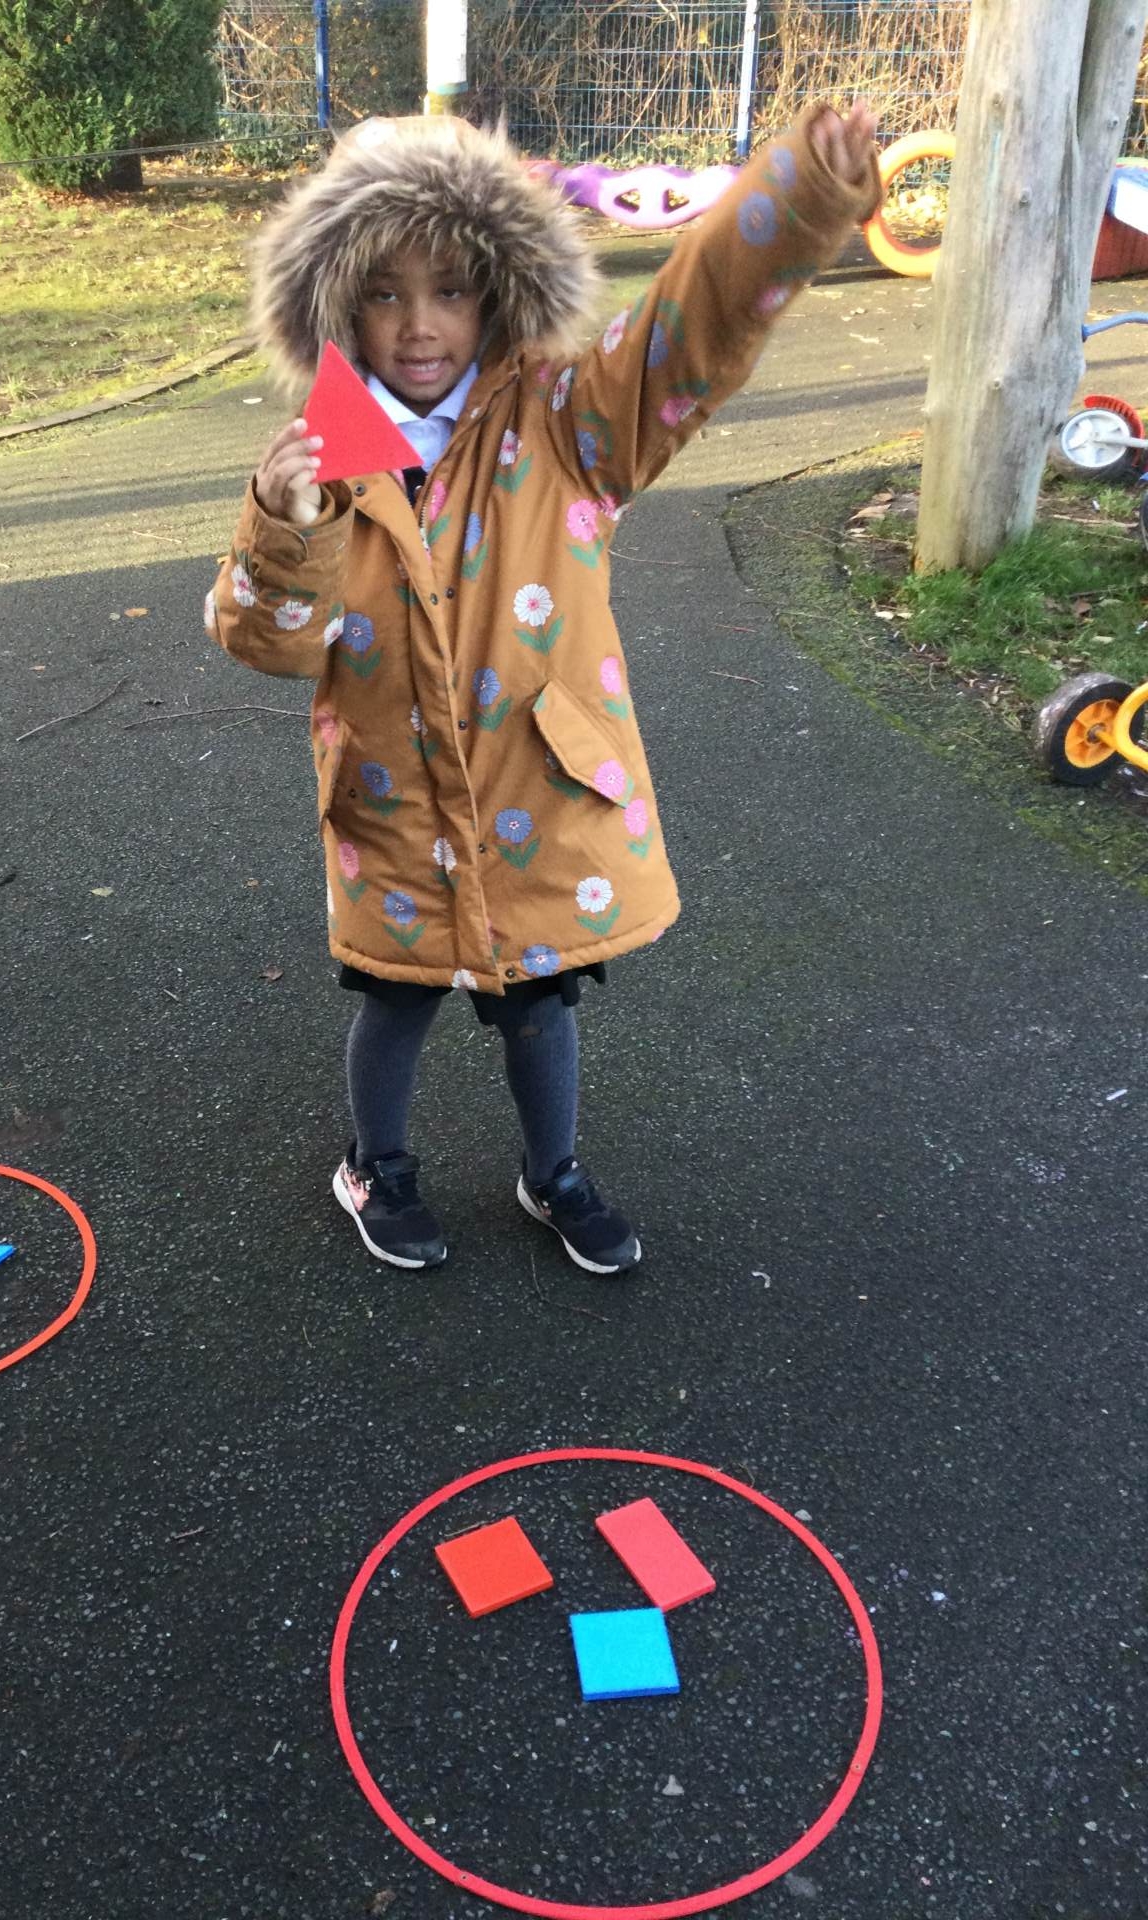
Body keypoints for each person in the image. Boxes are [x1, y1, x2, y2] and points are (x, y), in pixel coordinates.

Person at [207, 102, 879, 1277]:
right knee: (395, 1000)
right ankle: (376, 1164)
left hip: (538, 790)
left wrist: (797, 200)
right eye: (384, 293)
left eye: (452, 289)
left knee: (542, 1004)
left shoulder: (571, 422)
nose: (420, 325)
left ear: (499, 292)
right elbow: (266, 643)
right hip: (390, 803)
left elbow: (692, 329)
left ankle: (552, 1172)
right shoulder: (318, 456)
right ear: (337, 304)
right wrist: (283, 525)